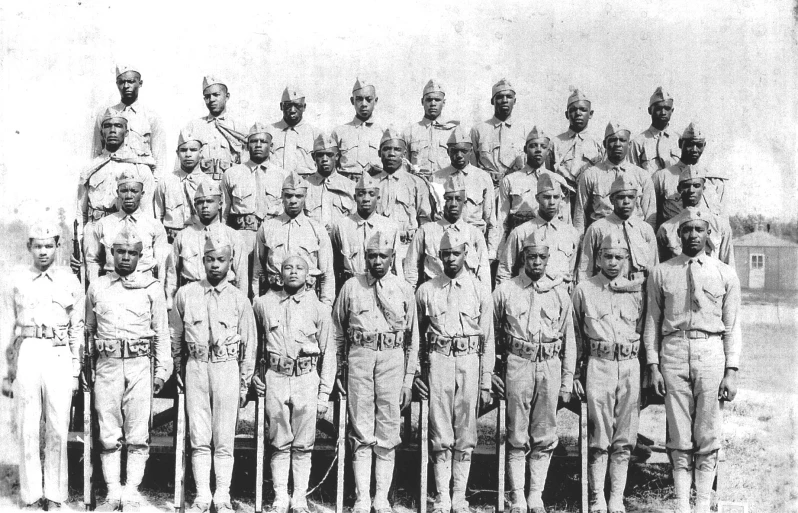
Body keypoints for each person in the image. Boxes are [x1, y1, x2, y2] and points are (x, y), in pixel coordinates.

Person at [645, 209, 741, 513]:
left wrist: (732, 370)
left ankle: (701, 505)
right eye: (687, 230)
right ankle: (681, 505)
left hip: (710, 351)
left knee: (708, 433)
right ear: (679, 235)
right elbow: (651, 321)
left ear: (708, 234)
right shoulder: (661, 272)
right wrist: (653, 366)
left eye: (700, 229)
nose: (693, 235)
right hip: (673, 351)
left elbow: (733, 325)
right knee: (678, 434)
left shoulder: (724, 273)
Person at [332, 232, 419, 513]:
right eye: (372, 256)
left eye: (383, 256)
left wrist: (408, 380)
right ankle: (361, 497)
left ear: (393, 258)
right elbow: (337, 332)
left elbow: (413, 339)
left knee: (388, 426)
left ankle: (381, 497)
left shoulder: (404, 289)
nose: (377, 261)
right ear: (365, 257)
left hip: (392, 360)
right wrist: (337, 371)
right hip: (360, 358)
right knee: (361, 427)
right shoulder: (351, 287)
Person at [85, 226, 170, 511]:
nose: (125, 258)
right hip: (107, 365)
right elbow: (89, 330)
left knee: (137, 433)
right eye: (120, 251)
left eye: (132, 253)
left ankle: (132, 491)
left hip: (139, 366)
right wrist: (88, 366)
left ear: (140, 255)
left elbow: (161, 333)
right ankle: (112, 492)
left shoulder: (152, 289)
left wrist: (161, 372)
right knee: (108, 431)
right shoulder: (97, 287)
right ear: (111, 253)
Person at [0, 220, 84, 510]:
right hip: (29, 351)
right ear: (29, 248)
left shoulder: (69, 280)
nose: (44, 251)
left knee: (58, 425)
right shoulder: (17, 280)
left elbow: (78, 328)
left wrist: (75, 369)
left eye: (49, 246)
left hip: (58, 352)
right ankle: (31, 494)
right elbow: (7, 327)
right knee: (27, 425)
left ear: (57, 247)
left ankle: (55, 495)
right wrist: (6, 370)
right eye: (38, 246)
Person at [170, 232, 256, 513]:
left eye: (221, 260)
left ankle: (222, 495)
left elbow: (249, 346)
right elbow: (176, 336)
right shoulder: (186, 294)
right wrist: (180, 368)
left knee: (223, 438)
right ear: (202, 261)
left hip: (226, 369)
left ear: (230, 262)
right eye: (210, 260)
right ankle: (202, 495)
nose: (215, 265)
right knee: (199, 436)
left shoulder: (239, 300)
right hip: (196, 368)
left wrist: (243, 384)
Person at [492, 231, 575, 513]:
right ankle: (516, 495)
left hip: (550, 365)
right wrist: (492, 370)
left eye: (541, 257)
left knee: (544, 433)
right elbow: (489, 333)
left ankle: (535, 495)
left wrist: (566, 380)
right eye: (531, 256)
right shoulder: (506, 290)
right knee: (516, 433)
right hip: (518, 364)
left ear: (548, 259)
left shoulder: (560, 293)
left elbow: (570, 341)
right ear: (522, 258)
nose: (536, 262)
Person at [414, 230, 494, 513]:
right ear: (439, 255)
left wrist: (485, 383)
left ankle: (459, 496)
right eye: (445, 253)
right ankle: (441, 497)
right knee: (440, 432)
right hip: (439, 361)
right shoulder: (426, 290)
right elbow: (416, 335)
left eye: (456, 253)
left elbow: (488, 338)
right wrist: (416, 374)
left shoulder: (481, 289)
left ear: (465, 254)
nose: (450, 258)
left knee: (465, 433)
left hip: (469, 361)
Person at [251, 255, 335, 513]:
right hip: (276, 377)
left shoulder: (319, 309)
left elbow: (329, 352)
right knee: (278, 440)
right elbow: (255, 344)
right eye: (288, 268)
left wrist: (323, 394)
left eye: (299, 268)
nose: (293, 272)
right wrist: (254, 373)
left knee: (303, 443)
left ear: (309, 276)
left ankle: (299, 496)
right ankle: (279, 496)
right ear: (279, 273)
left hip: (306, 379)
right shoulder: (263, 304)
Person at [572, 233, 645, 513]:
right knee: (599, 436)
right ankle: (596, 497)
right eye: (608, 257)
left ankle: (616, 496)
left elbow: (647, 326)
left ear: (627, 259)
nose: (613, 263)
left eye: (619, 257)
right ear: (599, 258)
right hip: (598, 365)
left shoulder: (638, 290)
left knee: (625, 437)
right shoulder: (584, 289)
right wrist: (577, 373)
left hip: (629, 366)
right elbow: (576, 334)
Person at [221, 122, 288, 295]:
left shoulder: (282, 175)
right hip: (243, 235)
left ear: (271, 146)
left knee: (272, 285)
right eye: (254, 141)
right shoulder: (232, 174)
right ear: (247, 144)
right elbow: (225, 212)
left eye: (263, 141)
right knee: (241, 285)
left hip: (272, 237)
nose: (258, 145)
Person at [251, 172, 334, 305]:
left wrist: (326, 306)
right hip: (274, 297)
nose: (293, 200)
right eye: (289, 196)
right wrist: (257, 300)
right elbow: (258, 271)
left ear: (305, 197)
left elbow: (327, 274)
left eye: (298, 196)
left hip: (307, 299)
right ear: (282, 197)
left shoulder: (317, 230)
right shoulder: (267, 228)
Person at [165, 181, 248, 306]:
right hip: (192, 297)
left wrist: (240, 304)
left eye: (209, 201)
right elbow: (172, 275)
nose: (204, 206)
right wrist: (170, 305)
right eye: (200, 202)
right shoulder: (183, 236)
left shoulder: (233, 236)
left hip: (224, 298)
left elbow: (241, 276)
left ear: (220, 204)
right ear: (194, 206)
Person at [404, 174, 491, 292]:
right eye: (448, 199)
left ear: (464, 203)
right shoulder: (426, 231)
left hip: (466, 296)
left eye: (458, 199)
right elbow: (411, 270)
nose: (454, 204)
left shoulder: (474, 234)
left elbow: (484, 274)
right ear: (441, 201)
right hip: (434, 294)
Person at [78, 109, 157, 233]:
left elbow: (147, 213)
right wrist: (80, 236)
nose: (113, 130)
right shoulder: (91, 168)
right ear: (102, 132)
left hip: (125, 229)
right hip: (93, 227)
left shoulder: (140, 167)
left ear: (126, 132)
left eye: (118, 126)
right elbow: (81, 210)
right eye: (107, 126)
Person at [84, 168, 169, 284]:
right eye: (124, 191)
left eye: (134, 191)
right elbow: (93, 261)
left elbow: (162, 264)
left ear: (142, 194)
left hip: (144, 285)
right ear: (117, 193)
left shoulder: (154, 226)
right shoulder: (103, 224)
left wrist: (159, 289)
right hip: (112, 285)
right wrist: (96, 287)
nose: (129, 195)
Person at [496, 173, 579, 288]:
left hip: (559, 297)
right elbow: (504, 272)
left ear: (561, 198)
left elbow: (572, 273)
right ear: (537, 198)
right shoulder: (521, 232)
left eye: (556, 197)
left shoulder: (571, 233)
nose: (551, 202)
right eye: (546, 197)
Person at [372, 127, 433, 279]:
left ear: (404, 154)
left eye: (397, 149)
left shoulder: (416, 183)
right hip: (378, 250)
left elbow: (425, 221)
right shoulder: (371, 183)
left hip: (408, 249)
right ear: (379, 153)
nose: (391, 154)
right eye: (386, 149)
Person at [575, 122, 656, 234]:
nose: (618, 144)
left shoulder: (642, 176)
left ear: (629, 144)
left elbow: (650, 217)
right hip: (602, 236)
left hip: (634, 236)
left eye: (622, 140)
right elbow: (580, 216)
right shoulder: (590, 175)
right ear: (604, 144)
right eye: (613, 140)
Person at [433, 126, 499, 261]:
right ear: (448, 152)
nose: (459, 155)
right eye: (454, 151)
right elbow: (432, 218)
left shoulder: (483, 178)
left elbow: (491, 219)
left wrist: (491, 251)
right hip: (445, 244)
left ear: (471, 152)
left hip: (474, 242)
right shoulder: (437, 178)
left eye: (463, 151)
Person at [498, 126, 572, 247]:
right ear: (525, 149)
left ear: (548, 151)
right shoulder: (510, 180)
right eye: (533, 146)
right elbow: (502, 221)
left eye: (543, 147)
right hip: (520, 242)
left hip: (549, 242)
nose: (538, 150)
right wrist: (500, 252)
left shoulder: (558, 180)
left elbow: (565, 219)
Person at [578, 174, 659, 283]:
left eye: (631, 197)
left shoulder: (645, 229)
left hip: (638, 290)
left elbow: (653, 267)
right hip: (607, 289)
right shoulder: (597, 229)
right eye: (621, 197)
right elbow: (585, 268)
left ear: (636, 199)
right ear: (611, 200)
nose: (626, 202)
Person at [92, 64, 167, 180]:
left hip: (141, 179)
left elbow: (160, 159)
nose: (126, 86)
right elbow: (96, 153)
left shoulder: (151, 117)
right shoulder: (105, 115)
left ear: (140, 83)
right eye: (121, 82)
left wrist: (155, 189)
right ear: (117, 84)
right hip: (110, 178)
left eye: (131, 81)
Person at [330, 172, 400, 289]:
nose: (366, 199)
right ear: (354, 197)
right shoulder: (341, 226)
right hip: (351, 286)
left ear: (378, 198)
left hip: (383, 286)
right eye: (361, 194)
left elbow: (396, 266)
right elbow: (334, 265)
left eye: (371, 194)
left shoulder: (390, 226)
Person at [656, 166, 735, 265]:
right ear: (679, 189)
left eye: (696, 185)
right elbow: (662, 269)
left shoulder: (720, 226)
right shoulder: (666, 229)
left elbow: (729, 268)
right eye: (686, 186)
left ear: (704, 188)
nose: (691, 190)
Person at [651, 122, 722, 228]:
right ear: (680, 143)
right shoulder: (662, 177)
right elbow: (651, 218)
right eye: (689, 144)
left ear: (704, 145)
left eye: (698, 145)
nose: (694, 149)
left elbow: (723, 222)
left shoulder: (714, 181)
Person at [154, 129, 215, 244]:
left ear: (201, 152)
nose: (188, 154)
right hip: (171, 241)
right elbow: (158, 218)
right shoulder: (165, 182)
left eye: (193, 150)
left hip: (200, 241)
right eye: (183, 150)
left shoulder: (210, 183)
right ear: (177, 153)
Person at [182, 76, 247, 181]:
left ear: (227, 96)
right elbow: (183, 163)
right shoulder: (194, 127)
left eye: (216, 95)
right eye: (207, 96)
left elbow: (246, 164)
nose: (211, 99)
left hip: (230, 184)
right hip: (201, 187)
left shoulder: (238, 128)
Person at [549, 88, 604, 211]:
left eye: (583, 110)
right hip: (563, 203)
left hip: (590, 202)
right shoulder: (555, 143)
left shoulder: (599, 144)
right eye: (573, 110)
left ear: (591, 114)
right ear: (566, 114)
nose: (578, 113)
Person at [470, 79, 527, 189]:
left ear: (514, 101)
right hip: (487, 188)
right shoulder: (478, 130)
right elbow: (472, 167)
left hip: (516, 188)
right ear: (492, 101)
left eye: (509, 97)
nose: (505, 100)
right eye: (500, 97)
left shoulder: (524, 130)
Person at [404, 79, 459, 178]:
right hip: (418, 184)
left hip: (446, 186)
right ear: (422, 101)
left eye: (437, 100)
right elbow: (403, 167)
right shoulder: (410, 132)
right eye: (429, 100)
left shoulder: (454, 131)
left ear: (444, 102)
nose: (433, 103)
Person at [332, 78, 384, 181]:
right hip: (346, 184)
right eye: (359, 99)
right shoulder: (339, 132)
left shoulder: (383, 133)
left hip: (375, 184)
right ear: (352, 101)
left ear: (376, 100)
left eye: (368, 99)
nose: (364, 104)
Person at [305, 133, 356, 233]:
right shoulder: (305, 186)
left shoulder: (350, 186)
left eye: (329, 155)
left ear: (337, 156)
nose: (324, 159)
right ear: (313, 157)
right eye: (320, 155)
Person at [629, 87, 680, 173]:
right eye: (658, 109)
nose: (663, 112)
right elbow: (632, 175)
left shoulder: (679, 140)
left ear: (672, 110)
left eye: (667, 108)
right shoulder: (638, 142)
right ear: (649, 110)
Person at [271, 87, 318, 176]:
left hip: (304, 185)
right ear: (281, 106)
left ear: (304, 107)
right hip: (276, 184)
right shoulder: (269, 132)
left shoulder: (315, 134)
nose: (292, 110)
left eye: (297, 106)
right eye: (288, 105)